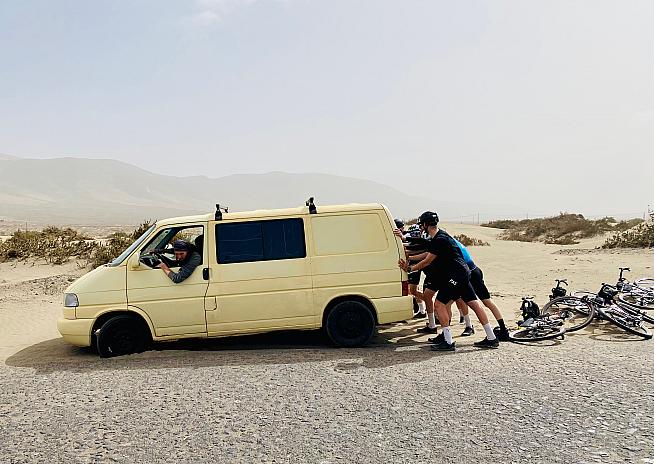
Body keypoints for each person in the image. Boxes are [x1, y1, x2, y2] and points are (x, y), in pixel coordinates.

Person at [398, 211, 499, 351]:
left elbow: (427, 261)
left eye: (422, 224)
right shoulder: (440, 236)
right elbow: (427, 254)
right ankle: (491, 338)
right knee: (474, 304)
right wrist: (410, 259)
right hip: (463, 273)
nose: (421, 227)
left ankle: (448, 341)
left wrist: (409, 268)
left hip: (456, 275)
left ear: (426, 224)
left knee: (439, 304)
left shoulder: (439, 239)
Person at [446, 239, 511, 341]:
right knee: (487, 301)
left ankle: (463, 328)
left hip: (466, 274)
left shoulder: (445, 243)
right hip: (475, 270)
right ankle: (503, 329)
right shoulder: (454, 241)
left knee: (455, 301)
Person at [393, 220, 427, 318]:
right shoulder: (407, 234)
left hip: (416, 265)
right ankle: (422, 309)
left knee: (413, 289)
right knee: (412, 289)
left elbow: (416, 247)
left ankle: (425, 308)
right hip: (412, 264)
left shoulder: (416, 238)